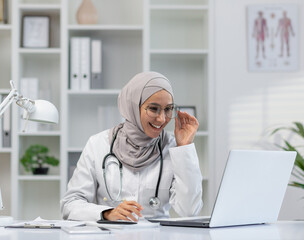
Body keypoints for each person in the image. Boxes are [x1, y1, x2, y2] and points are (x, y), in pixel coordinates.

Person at [61, 71, 203, 222]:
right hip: (110, 234)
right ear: (132, 106)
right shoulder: (98, 144)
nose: (162, 118)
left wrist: (184, 148)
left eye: (168, 109)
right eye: (154, 108)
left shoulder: (174, 147)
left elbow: (189, 210)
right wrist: (107, 213)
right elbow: (70, 205)